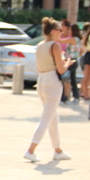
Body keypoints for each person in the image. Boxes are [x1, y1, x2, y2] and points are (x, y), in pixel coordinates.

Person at [24, 18, 72, 162]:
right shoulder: (54, 46)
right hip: (52, 81)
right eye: (59, 30)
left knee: (52, 117)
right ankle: (30, 150)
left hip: (42, 79)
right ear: (53, 31)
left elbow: (39, 67)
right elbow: (61, 69)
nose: (61, 32)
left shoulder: (40, 45)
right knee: (47, 117)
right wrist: (69, 62)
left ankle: (58, 150)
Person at [59, 20, 83, 103]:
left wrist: (56, 35)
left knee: (65, 78)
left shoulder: (73, 39)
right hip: (73, 60)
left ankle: (64, 97)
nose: (68, 31)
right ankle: (76, 96)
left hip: (71, 62)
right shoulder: (77, 39)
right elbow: (82, 50)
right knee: (72, 79)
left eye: (69, 29)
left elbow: (61, 41)